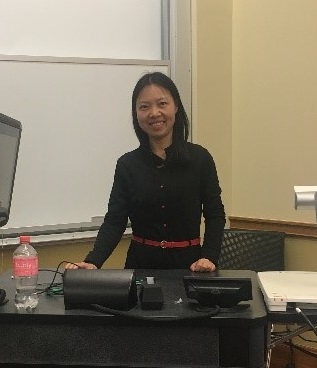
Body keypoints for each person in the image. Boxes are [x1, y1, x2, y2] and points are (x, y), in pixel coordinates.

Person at [66, 72, 225, 272]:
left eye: (162, 104)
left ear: (176, 106)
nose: (154, 113)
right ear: (136, 114)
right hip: (140, 266)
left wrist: (209, 256)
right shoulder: (127, 164)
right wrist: (94, 260)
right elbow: (115, 220)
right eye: (144, 107)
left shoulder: (200, 158)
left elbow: (215, 214)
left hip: (190, 267)